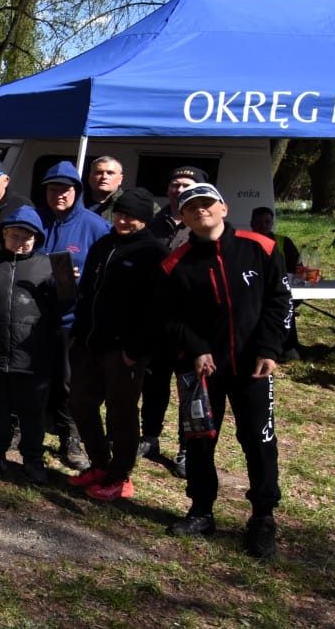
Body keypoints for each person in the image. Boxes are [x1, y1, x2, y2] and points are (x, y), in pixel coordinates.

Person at [160, 183, 289, 559]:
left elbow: (279, 300)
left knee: (259, 440)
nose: (200, 210)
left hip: (253, 366)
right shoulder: (176, 262)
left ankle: (263, 517)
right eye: (191, 208)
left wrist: (269, 348)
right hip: (202, 370)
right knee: (200, 440)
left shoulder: (260, 247)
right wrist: (196, 349)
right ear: (183, 218)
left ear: (223, 208)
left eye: (207, 203)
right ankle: (201, 511)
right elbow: (169, 317)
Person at [67, 188, 166, 501]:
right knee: (80, 403)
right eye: (120, 214)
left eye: (131, 216)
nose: (123, 220)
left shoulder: (153, 252)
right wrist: (79, 335)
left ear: (144, 219)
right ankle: (99, 464)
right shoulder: (103, 244)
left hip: (125, 351)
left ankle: (121, 476)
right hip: (90, 344)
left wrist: (135, 350)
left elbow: (156, 310)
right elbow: (88, 293)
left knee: (121, 413)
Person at [0, 206, 62, 484]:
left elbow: (65, 307)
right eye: (15, 236)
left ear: (37, 238)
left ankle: (32, 458)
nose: (20, 242)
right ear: (4, 234)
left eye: (27, 237)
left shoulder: (48, 266)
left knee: (32, 412)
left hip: (32, 355)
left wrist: (65, 285)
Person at [35, 161, 111, 471]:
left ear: (77, 191)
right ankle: (24, 428)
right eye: (53, 189)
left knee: (71, 383)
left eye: (65, 189)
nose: (59, 195)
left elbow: (104, 274)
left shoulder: (95, 226)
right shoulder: (35, 220)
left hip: (73, 320)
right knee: (35, 377)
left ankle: (71, 437)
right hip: (35, 318)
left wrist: (82, 282)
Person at [141, 164, 209, 476]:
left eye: (185, 184)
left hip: (191, 323)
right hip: (156, 321)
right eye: (174, 184)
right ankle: (149, 437)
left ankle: (186, 447)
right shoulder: (153, 224)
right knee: (153, 384)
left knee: (190, 388)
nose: (178, 189)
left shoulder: (204, 225)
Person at [251, 206, 303, 358]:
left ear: (272, 223)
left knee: (285, 305)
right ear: (252, 224)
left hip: (281, 289)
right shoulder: (243, 243)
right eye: (259, 222)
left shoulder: (284, 242)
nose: (263, 226)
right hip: (252, 291)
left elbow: (298, 268)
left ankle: (289, 347)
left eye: (267, 222)